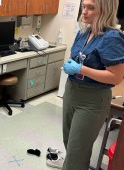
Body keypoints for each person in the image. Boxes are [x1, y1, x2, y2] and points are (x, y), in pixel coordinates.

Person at [62, 0, 124, 169]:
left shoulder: (112, 37)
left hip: (92, 100)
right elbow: (79, 57)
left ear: (104, 10)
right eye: (84, 6)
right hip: (72, 92)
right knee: (70, 144)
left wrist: (81, 69)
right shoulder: (84, 32)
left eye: (91, 8)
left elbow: (115, 77)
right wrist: (71, 66)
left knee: (76, 152)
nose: (84, 12)